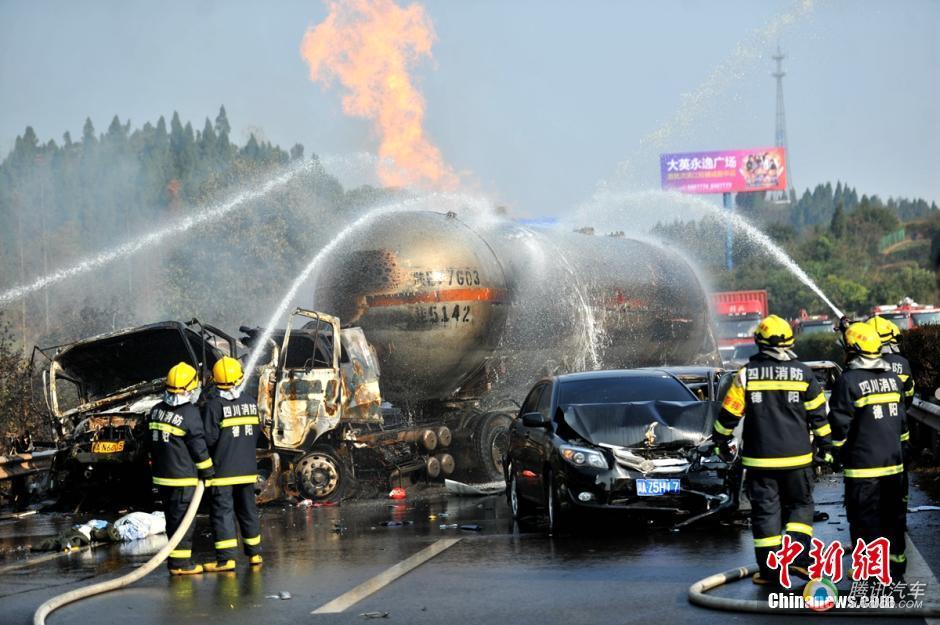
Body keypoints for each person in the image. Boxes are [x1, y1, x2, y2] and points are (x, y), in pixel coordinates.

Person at [713, 314, 830, 585]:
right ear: (790, 341)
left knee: (765, 515)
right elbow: (819, 416)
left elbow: (729, 415)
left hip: (760, 462)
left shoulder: (746, 375)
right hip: (799, 461)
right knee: (801, 507)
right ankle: (799, 560)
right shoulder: (803, 372)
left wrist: (720, 441)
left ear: (758, 342)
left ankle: (770, 572)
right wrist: (826, 448)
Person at [829, 322, 908, 579]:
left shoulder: (848, 381)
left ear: (852, 351)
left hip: (863, 469)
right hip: (894, 465)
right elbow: (903, 425)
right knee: (893, 518)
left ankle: (870, 571)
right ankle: (895, 566)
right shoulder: (893, 379)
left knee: (865, 520)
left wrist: (835, 454)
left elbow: (839, 426)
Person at [148, 362, 214, 575]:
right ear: (190, 386)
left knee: (172, 520)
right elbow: (198, 446)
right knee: (184, 521)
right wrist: (208, 471)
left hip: (162, 478)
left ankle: (174, 561)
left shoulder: (156, 410)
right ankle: (181, 565)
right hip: (183, 478)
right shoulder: (189, 413)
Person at [201, 356, 262, 572]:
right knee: (248, 510)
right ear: (240, 378)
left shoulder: (214, 406)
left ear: (214, 380)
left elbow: (208, 439)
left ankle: (226, 560)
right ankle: (254, 554)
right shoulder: (250, 402)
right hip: (247, 470)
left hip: (223, 472)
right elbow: (256, 435)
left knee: (222, 513)